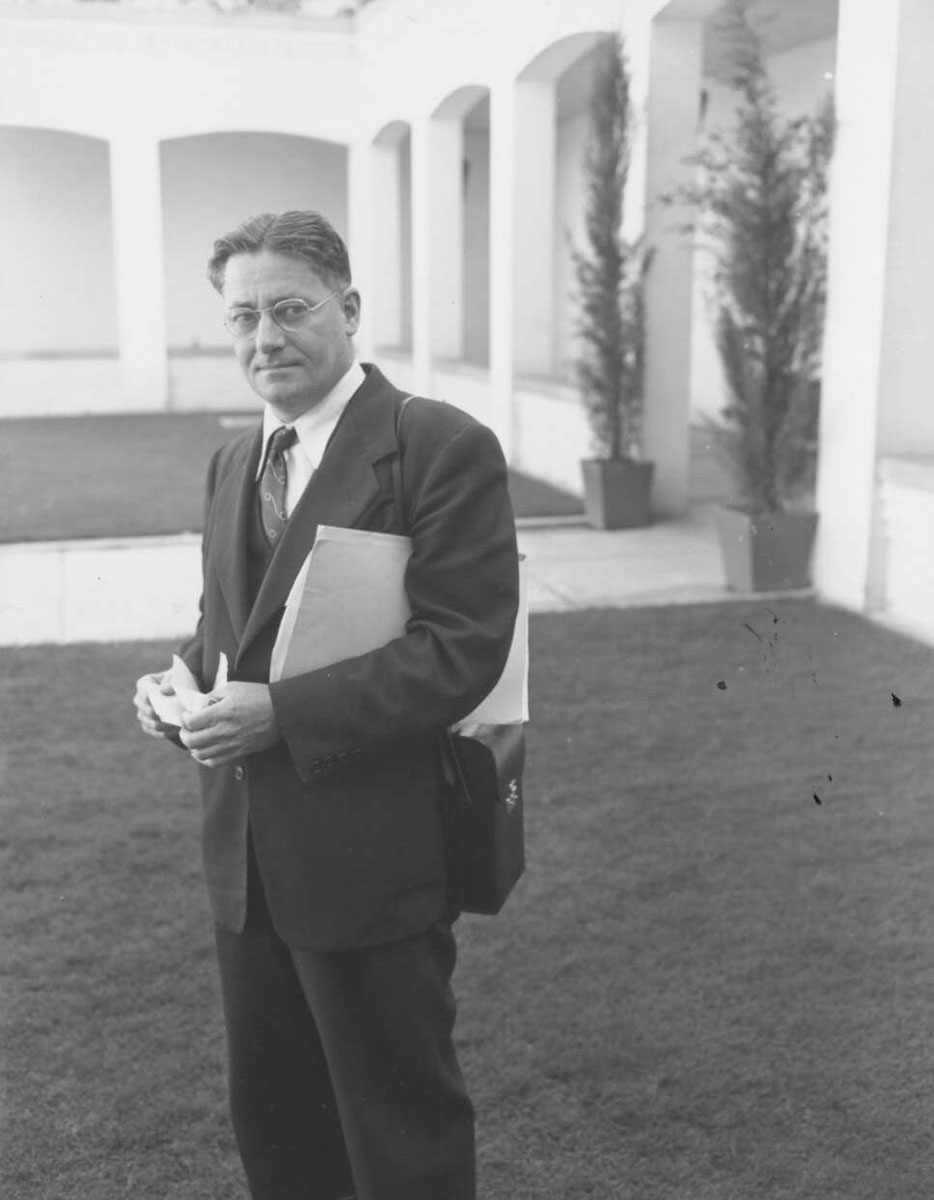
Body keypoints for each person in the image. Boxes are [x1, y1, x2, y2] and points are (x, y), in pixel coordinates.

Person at [133, 210, 519, 1200]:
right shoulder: (233, 462)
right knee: (277, 1124)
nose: (266, 338)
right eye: (242, 317)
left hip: (372, 855)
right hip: (247, 864)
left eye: (291, 309)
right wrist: (178, 685)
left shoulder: (435, 444)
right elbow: (231, 634)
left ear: (348, 309)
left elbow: (460, 650)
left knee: (398, 1128)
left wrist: (280, 715)